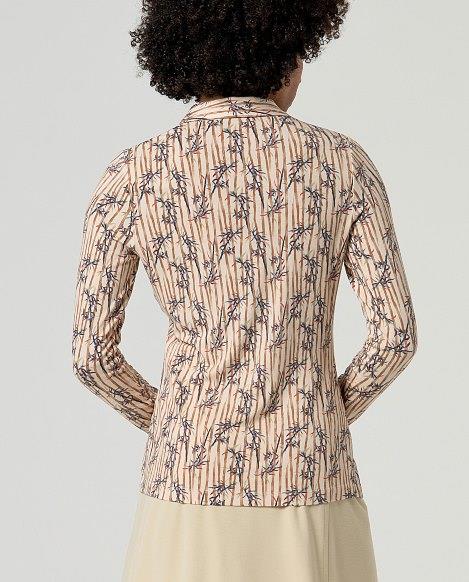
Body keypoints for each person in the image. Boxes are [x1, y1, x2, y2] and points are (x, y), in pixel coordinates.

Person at [71, 1, 418, 580]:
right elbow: (395, 337)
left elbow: (91, 357)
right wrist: (321, 416)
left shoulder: (132, 174)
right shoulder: (341, 166)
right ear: (285, 51)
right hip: (312, 479)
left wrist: (178, 423)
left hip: (185, 482)